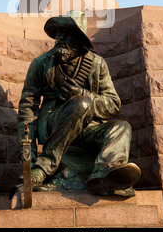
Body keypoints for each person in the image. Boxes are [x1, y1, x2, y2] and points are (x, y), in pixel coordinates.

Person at [17, 11, 141, 196]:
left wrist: (83, 94)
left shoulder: (97, 64)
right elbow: (28, 108)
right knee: (82, 104)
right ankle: (45, 167)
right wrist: (28, 153)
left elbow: (114, 104)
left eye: (66, 34)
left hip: (87, 129)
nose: (60, 38)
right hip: (54, 124)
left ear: (79, 39)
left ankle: (104, 174)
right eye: (58, 33)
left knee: (122, 127)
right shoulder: (41, 64)